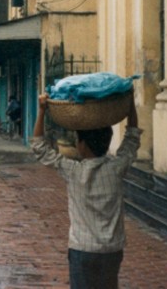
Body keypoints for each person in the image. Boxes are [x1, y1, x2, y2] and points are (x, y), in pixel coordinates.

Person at [32, 93, 141, 289]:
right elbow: (132, 137)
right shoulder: (116, 168)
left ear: (82, 146)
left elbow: (40, 147)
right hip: (111, 250)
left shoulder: (73, 171)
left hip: (82, 250)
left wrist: (41, 111)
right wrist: (130, 104)